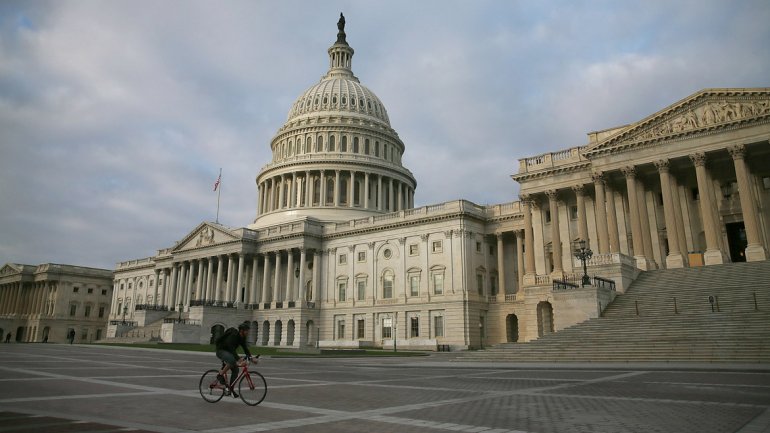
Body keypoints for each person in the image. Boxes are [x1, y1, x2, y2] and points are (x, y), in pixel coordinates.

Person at [215, 321, 252, 397]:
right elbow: (231, 348)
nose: (248, 332)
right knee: (232, 360)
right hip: (221, 351)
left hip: (229, 352)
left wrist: (251, 357)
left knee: (236, 370)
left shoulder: (242, 338)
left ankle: (230, 390)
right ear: (242, 331)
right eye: (246, 330)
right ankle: (220, 375)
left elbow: (245, 348)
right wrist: (238, 359)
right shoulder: (234, 336)